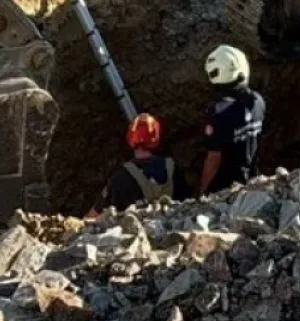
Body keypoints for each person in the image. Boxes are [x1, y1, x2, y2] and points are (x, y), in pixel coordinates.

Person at [199, 44, 264, 195]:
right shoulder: (258, 102)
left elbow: (213, 159)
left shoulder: (218, 111)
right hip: (251, 183)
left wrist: (202, 192)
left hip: (224, 190)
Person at [100, 113, 191, 211]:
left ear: (130, 137)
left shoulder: (120, 176)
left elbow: (96, 213)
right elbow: (187, 201)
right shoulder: (173, 168)